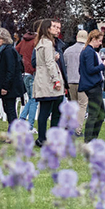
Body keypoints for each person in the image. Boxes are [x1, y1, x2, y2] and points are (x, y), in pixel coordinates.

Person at [33, 18, 65, 147]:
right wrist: (56, 80)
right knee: (50, 111)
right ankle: (44, 138)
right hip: (48, 80)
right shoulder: (47, 43)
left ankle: (44, 137)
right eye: (53, 27)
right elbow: (49, 63)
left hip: (43, 78)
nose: (56, 29)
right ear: (47, 29)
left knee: (45, 111)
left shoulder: (41, 42)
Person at [0, 28, 23, 130]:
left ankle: (13, 133)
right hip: (5, 84)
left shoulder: (8, 51)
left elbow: (11, 69)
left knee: (10, 109)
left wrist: (5, 86)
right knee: (8, 109)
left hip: (10, 85)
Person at [79, 29, 105, 143]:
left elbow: (81, 70)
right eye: (99, 41)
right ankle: (89, 139)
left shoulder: (85, 50)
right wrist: (102, 65)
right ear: (93, 39)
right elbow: (90, 69)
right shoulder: (89, 52)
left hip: (89, 85)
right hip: (93, 86)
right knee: (94, 114)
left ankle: (91, 138)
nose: (100, 43)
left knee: (100, 114)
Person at [16, 30, 39, 123]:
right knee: (34, 100)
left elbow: (16, 50)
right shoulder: (36, 42)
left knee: (31, 99)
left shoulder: (23, 41)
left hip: (25, 72)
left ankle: (22, 119)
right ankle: (30, 125)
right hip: (34, 72)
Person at [63, 32, 86, 105]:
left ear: (76, 37)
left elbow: (64, 67)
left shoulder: (67, 51)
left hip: (71, 81)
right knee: (82, 105)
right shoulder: (87, 51)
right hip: (83, 81)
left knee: (73, 104)